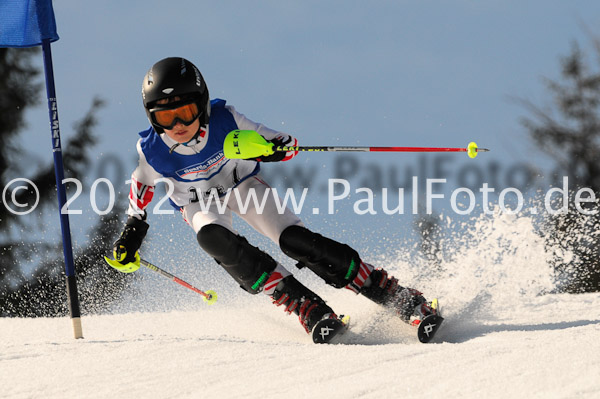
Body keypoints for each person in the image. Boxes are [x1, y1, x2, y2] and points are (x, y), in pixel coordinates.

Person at [108, 57, 436, 340]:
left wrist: (275, 149)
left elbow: (282, 142)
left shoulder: (227, 120)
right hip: (198, 203)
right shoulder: (151, 149)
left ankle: (394, 293)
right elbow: (142, 186)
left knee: (295, 240)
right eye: (166, 117)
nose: (178, 124)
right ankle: (304, 305)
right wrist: (133, 228)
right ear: (152, 117)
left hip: (242, 184)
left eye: (186, 111)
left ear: (202, 103)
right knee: (213, 238)